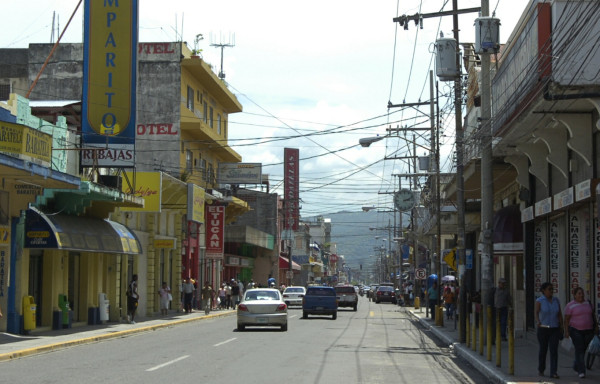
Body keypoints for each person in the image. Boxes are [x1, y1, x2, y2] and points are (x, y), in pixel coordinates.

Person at [564, 287, 597, 378]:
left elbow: (592, 315)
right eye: (579, 293)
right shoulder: (570, 306)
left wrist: (596, 326)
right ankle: (581, 371)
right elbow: (566, 320)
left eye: (582, 293)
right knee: (579, 349)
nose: (581, 295)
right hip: (575, 330)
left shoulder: (588, 303)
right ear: (574, 295)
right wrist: (566, 331)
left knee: (582, 349)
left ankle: (576, 365)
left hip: (588, 330)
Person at [535, 282, 563, 379]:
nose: (551, 291)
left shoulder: (556, 300)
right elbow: (536, 313)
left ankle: (553, 372)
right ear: (544, 290)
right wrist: (538, 321)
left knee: (554, 350)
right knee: (543, 350)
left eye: (552, 289)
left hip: (554, 328)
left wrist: (561, 326)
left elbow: (559, 314)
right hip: (543, 328)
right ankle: (541, 369)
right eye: (549, 289)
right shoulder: (540, 300)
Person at [494, 277, 512, 341]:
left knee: (503, 322)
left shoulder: (506, 291)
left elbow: (509, 299)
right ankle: (495, 335)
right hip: (497, 308)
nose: (503, 285)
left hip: (504, 308)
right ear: (499, 283)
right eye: (502, 283)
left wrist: (510, 305)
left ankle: (503, 335)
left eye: (504, 283)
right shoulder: (495, 290)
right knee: (496, 322)